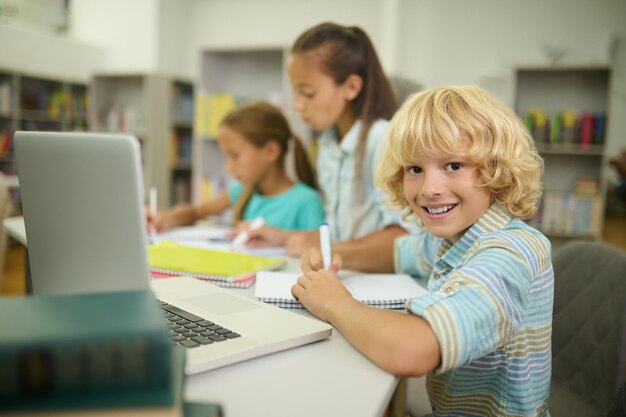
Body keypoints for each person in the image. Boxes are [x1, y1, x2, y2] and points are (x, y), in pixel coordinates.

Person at [294, 86, 554, 416]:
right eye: (415, 169)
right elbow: (399, 251)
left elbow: (410, 351)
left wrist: (334, 301)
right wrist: (337, 256)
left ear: (496, 168)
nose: (430, 189)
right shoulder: (459, 236)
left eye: (454, 166)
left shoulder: (509, 252)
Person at [246, 22, 408, 255]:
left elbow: (402, 237)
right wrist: (285, 237)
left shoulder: (383, 140)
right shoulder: (328, 144)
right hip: (348, 272)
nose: (298, 105)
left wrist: (330, 252)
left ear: (351, 87)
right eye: (296, 92)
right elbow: (339, 234)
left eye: (308, 93)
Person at [147, 101, 325, 233]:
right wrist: (168, 218)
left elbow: (318, 252)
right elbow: (196, 212)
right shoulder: (242, 190)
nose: (228, 166)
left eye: (235, 156)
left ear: (270, 151)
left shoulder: (306, 202)